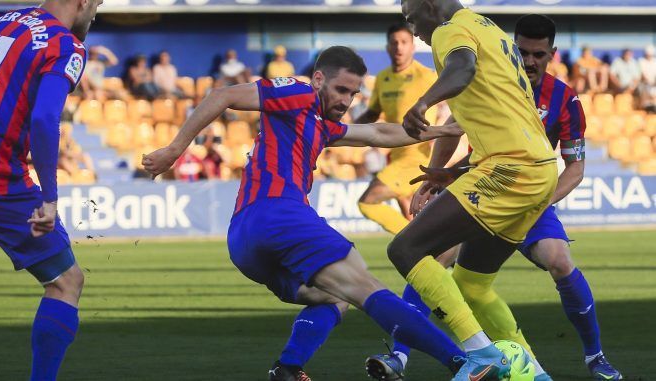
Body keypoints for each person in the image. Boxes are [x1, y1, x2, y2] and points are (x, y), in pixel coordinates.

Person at [143, 46, 469, 381]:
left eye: (353, 93)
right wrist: (174, 149)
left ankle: (288, 368)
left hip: (244, 240)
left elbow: (379, 132)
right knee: (364, 285)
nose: (346, 100)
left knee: (334, 296)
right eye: (340, 89)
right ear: (317, 79)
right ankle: (462, 361)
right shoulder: (298, 94)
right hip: (279, 214)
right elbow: (223, 94)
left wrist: (441, 131)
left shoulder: (323, 126)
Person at [376, 14, 624, 381]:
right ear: (512, 47)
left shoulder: (562, 97)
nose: (529, 61)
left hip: (527, 188)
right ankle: (402, 355)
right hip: (490, 181)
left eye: (538, 54)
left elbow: (574, 167)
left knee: (557, 259)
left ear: (552, 54)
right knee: (449, 266)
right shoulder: (502, 74)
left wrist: (540, 201)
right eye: (522, 51)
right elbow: (457, 127)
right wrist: (438, 172)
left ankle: (594, 355)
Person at [384, 1, 561, 379]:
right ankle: (534, 373)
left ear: (429, 4)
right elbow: (497, 109)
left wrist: (424, 101)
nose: (413, 29)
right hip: (539, 169)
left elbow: (461, 68)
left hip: (510, 168)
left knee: (405, 248)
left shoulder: (450, 31)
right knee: (472, 285)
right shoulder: (491, 31)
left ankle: (480, 354)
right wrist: (455, 171)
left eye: (411, 17)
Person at [0, 1, 102, 380]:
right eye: (96, 4)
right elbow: (46, 117)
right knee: (66, 282)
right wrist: (50, 197)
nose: (96, 13)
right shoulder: (64, 44)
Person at [355, 24, 439, 235]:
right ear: (388, 47)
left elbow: (446, 108)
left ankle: (413, 245)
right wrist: (342, 127)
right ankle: (426, 254)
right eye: (394, 43)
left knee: (368, 201)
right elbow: (372, 113)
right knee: (414, 219)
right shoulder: (383, 78)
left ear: (413, 46)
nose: (399, 47)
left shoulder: (425, 77)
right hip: (396, 155)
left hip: (416, 158)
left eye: (404, 42)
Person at [639, 44, 656, 111]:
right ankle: (647, 107)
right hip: (645, 85)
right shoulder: (641, 61)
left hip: (653, 84)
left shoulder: (655, 61)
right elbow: (642, 75)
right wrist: (649, 82)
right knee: (645, 89)